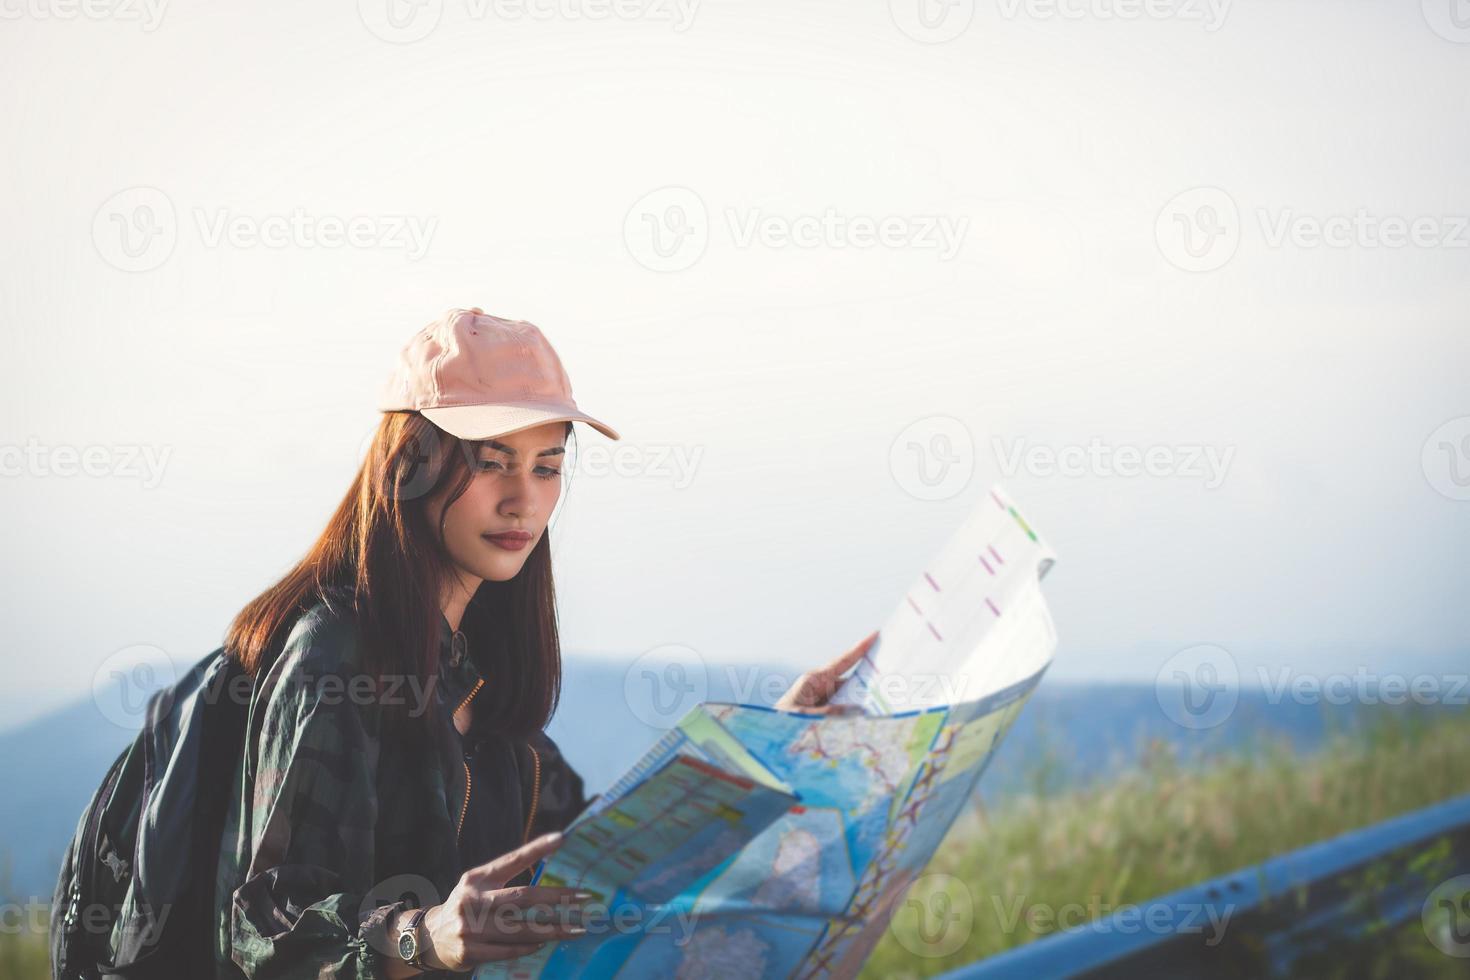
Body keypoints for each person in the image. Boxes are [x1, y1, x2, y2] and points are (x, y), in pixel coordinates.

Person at [210, 307, 878, 978]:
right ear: (409, 468)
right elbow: (262, 929)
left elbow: (595, 864)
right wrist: (422, 936)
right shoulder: (335, 657)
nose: (522, 501)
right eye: (492, 464)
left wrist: (769, 744)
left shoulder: (485, 672)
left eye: (546, 467)